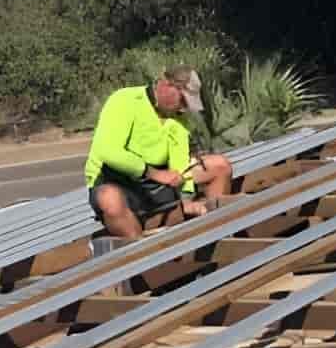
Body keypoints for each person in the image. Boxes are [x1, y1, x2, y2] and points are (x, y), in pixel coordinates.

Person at [85, 66, 231, 239]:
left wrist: (186, 199)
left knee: (219, 166)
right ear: (166, 85)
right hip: (119, 181)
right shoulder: (125, 100)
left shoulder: (178, 117)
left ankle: (217, 234)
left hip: (158, 184)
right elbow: (108, 152)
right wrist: (153, 173)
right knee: (108, 198)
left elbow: (179, 161)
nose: (183, 109)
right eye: (182, 101)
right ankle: (140, 250)